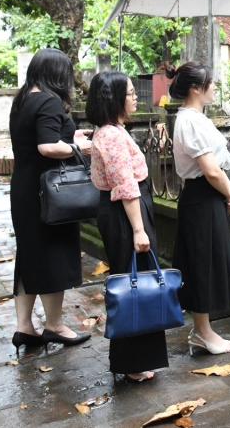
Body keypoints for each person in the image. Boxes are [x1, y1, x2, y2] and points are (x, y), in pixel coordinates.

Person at [8, 48, 92, 353]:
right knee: (52, 254)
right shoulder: (47, 99)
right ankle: (55, 326)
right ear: (58, 74)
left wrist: (70, 137)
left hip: (25, 188)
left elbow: (36, 138)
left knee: (29, 255)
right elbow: (47, 146)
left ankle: (24, 327)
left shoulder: (23, 100)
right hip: (49, 194)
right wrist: (78, 147)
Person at [88, 71, 166, 382]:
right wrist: (138, 229)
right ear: (114, 98)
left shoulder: (113, 130)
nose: (136, 97)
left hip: (126, 209)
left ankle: (135, 360)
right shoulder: (111, 135)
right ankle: (131, 362)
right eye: (131, 92)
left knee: (136, 282)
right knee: (133, 284)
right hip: (125, 213)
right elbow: (125, 186)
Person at [169, 62, 230, 353]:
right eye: (211, 82)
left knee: (205, 262)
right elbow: (210, 170)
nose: (214, 87)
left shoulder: (194, 117)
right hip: (202, 195)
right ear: (196, 88)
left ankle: (203, 331)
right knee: (201, 264)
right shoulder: (191, 120)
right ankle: (202, 332)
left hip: (203, 197)